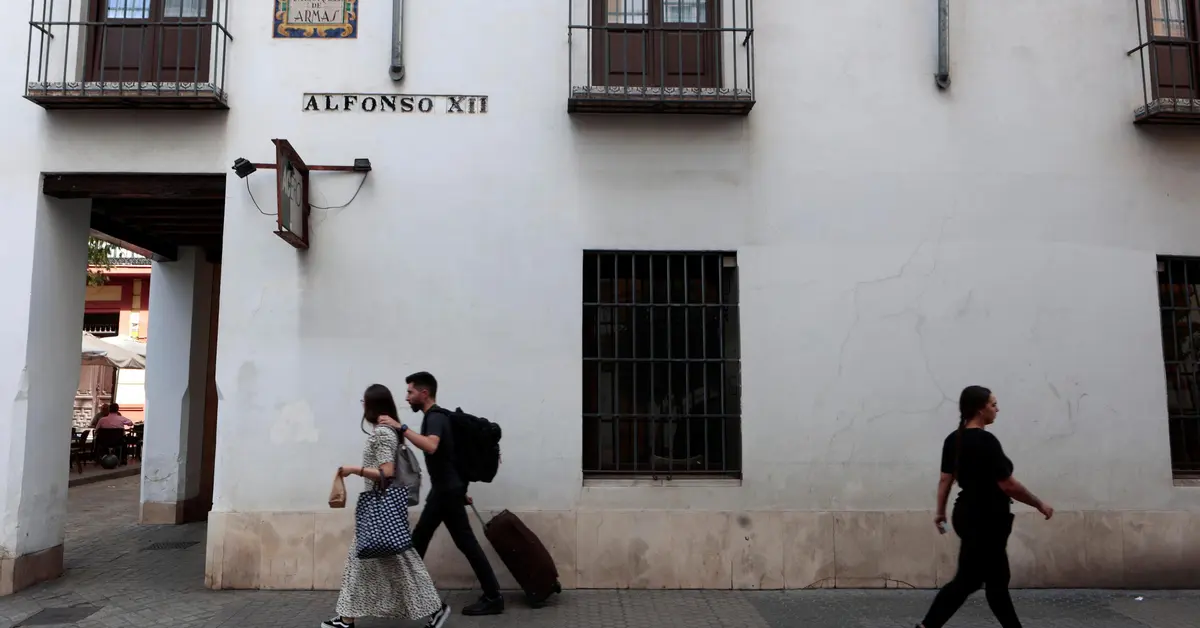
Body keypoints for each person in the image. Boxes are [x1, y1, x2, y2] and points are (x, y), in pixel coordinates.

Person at [915, 386, 1054, 628]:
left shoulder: (954, 439)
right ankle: (927, 626)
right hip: (987, 517)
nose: (997, 409)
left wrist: (940, 512)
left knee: (995, 580)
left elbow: (945, 480)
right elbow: (1008, 485)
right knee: (970, 581)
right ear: (981, 409)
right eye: (993, 404)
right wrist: (1039, 503)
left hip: (966, 513)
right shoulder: (986, 441)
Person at [324, 383, 451, 628]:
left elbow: (386, 473)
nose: (362, 406)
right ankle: (346, 618)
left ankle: (436, 608)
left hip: (380, 509)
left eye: (364, 401)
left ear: (372, 405)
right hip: (380, 509)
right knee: (363, 561)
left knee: (401, 561)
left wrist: (353, 470)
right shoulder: (385, 431)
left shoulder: (382, 433)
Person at [378, 371, 504, 616]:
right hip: (448, 491)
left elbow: (432, 446)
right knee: (444, 542)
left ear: (424, 393)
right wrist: (461, 491)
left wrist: (400, 427)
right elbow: (450, 457)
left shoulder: (435, 418)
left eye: (410, 392)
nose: (407, 398)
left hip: (445, 492)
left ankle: (406, 595)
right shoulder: (437, 417)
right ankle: (491, 595)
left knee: (425, 541)